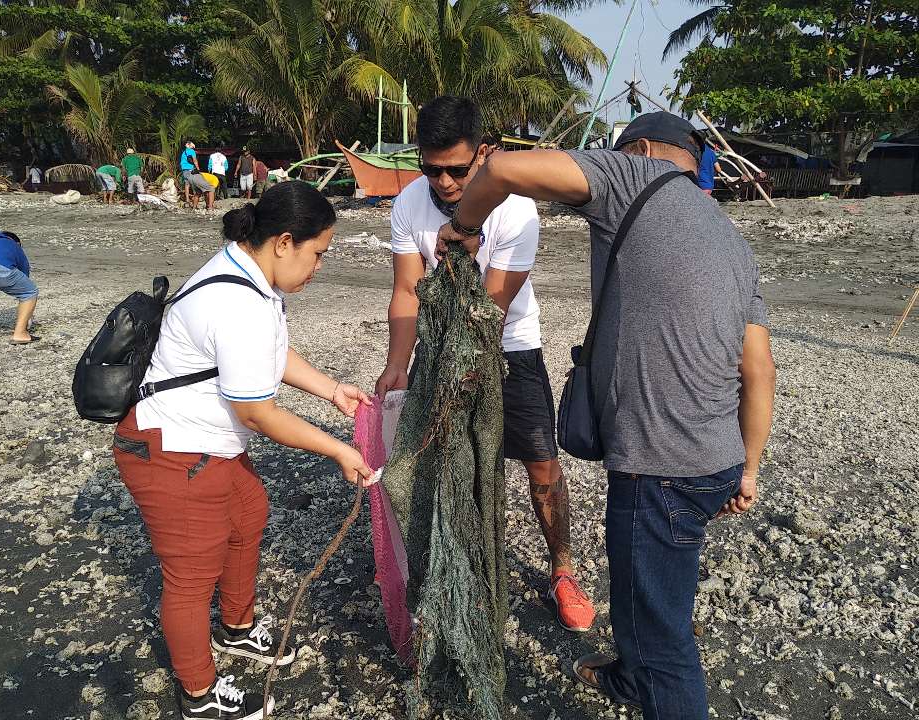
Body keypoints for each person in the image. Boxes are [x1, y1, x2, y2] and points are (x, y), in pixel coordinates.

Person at [435, 111, 776, 720]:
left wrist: (463, 227)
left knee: (667, 643)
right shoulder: (730, 235)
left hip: (660, 462)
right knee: (647, 584)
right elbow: (759, 369)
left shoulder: (630, 175)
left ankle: (653, 682)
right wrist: (746, 470)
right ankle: (626, 674)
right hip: (718, 459)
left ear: (641, 148)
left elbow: (503, 168)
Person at [112, 181, 374, 720]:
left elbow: (268, 354)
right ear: (283, 242)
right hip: (171, 450)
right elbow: (258, 412)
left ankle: (234, 626)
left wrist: (330, 389)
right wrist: (338, 450)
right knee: (190, 575)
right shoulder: (237, 300)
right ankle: (199, 695)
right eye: (317, 253)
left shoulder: (250, 278)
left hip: (208, 446)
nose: (318, 267)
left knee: (249, 510)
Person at [375, 95, 596, 633]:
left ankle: (562, 569)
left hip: (511, 346)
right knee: (450, 463)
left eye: (457, 169)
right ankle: (460, 568)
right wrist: (398, 362)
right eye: (432, 169)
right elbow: (407, 290)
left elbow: (492, 306)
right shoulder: (408, 205)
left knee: (540, 460)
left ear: (484, 155)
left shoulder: (516, 209)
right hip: (438, 346)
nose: (445, 183)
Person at [180, 141, 214, 210]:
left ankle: (188, 202)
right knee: (210, 189)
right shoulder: (192, 151)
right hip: (191, 172)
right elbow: (195, 161)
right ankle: (210, 207)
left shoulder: (184, 153)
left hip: (184, 172)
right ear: (191, 146)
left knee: (189, 186)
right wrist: (198, 170)